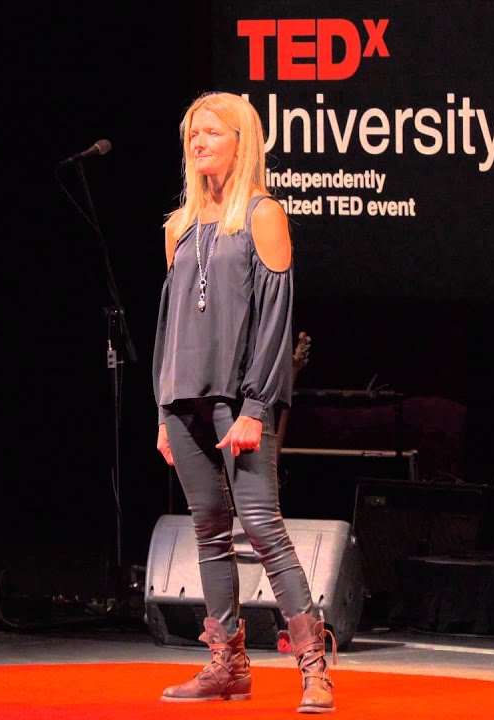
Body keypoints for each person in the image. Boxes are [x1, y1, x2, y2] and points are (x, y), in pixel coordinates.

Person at [151, 90, 336, 714]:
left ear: (241, 141)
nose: (199, 141)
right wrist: (162, 409)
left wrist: (257, 406)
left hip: (240, 399)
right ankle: (226, 664)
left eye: (211, 132)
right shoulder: (178, 225)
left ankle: (314, 665)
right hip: (183, 400)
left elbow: (275, 322)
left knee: (261, 525)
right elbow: (170, 325)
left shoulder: (262, 214)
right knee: (208, 529)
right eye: (192, 134)